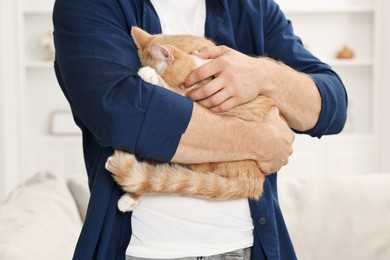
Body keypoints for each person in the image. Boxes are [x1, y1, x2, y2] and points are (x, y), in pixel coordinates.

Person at [52, 0, 347, 259]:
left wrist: (264, 74)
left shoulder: (253, 7)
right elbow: (122, 114)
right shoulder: (89, 5)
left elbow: (332, 104)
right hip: (144, 250)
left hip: (249, 245)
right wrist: (257, 141)